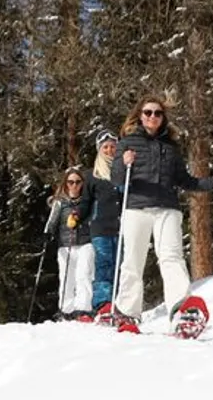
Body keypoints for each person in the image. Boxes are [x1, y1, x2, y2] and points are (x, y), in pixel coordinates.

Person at [110, 97, 213, 319]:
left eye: (158, 113)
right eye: (148, 112)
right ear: (140, 115)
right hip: (137, 207)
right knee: (133, 259)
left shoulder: (171, 146)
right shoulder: (127, 143)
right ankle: (127, 311)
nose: (153, 117)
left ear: (163, 118)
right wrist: (124, 163)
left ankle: (181, 308)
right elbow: (116, 179)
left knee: (172, 257)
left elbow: (185, 180)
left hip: (167, 207)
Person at [45, 166, 95, 320]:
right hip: (65, 245)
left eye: (78, 182)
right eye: (70, 182)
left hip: (85, 242)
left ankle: (83, 308)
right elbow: (52, 221)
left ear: (82, 183)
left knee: (83, 274)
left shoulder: (87, 201)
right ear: (65, 184)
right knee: (67, 277)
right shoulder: (60, 202)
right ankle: (66, 309)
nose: (74, 185)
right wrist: (48, 234)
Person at [85, 132, 124, 317]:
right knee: (103, 265)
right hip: (100, 227)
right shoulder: (93, 175)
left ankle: (119, 302)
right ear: (99, 150)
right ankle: (103, 303)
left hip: (121, 227)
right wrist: (77, 216)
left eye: (112, 146)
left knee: (120, 266)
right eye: (105, 147)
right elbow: (85, 201)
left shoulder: (124, 171)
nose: (109, 150)